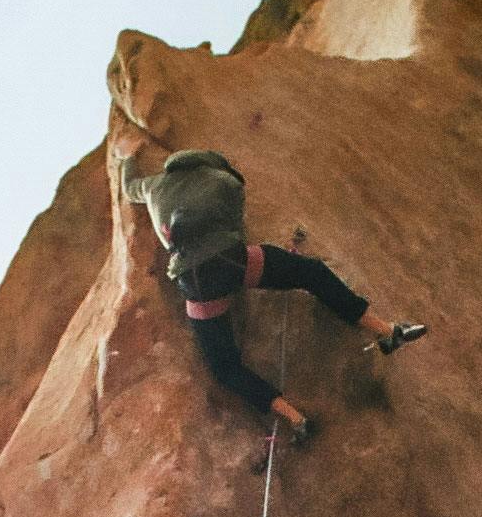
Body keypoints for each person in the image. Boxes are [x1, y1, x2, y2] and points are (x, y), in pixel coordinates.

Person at [120, 148, 425, 444]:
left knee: (224, 367)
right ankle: (386, 331)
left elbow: (129, 187)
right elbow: (236, 224)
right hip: (234, 263)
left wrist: (128, 159)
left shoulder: (153, 185)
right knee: (310, 273)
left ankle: (295, 419)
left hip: (196, 285)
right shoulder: (222, 180)